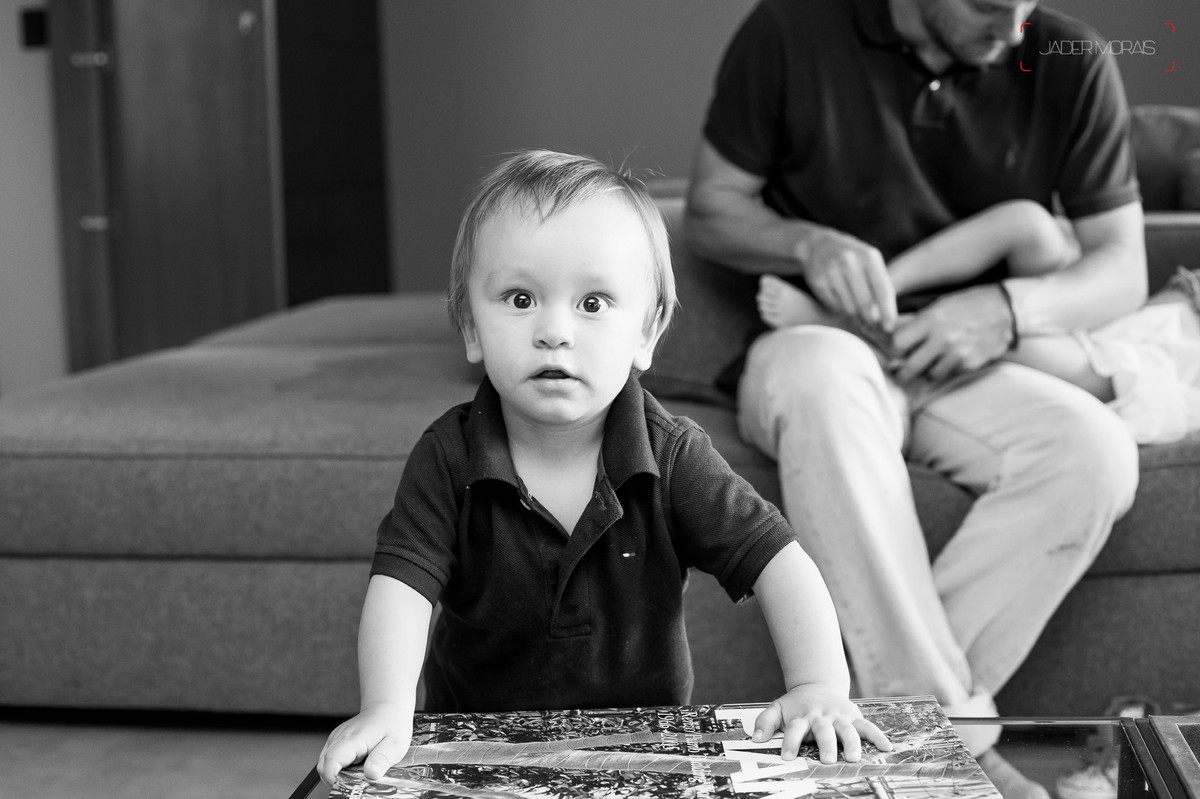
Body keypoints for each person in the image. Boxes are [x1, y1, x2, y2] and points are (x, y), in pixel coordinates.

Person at [685, 1, 1146, 797]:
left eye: (1025, 3)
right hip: (813, 344)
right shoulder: (790, 30)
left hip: (959, 359)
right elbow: (710, 211)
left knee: (1094, 451)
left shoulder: (1070, 56)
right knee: (826, 376)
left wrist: (1006, 310)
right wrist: (806, 242)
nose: (1014, 29)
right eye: (988, 6)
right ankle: (950, 755)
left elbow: (1122, 266)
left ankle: (905, 742)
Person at [316, 150, 892, 786]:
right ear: (470, 327)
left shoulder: (672, 455)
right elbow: (401, 588)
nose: (554, 330)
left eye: (592, 303)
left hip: (644, 753)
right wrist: (387, 706)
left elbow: (779, 561)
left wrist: (817, 685)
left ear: (647, 333)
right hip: (477, 751)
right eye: (520, 298)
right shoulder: (448, 456)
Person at [758, 199, 1200, 445]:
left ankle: (867, 329)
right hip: (1124, 327)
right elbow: (1147, 306)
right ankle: (877, 290)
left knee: (1058, 355)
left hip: (1153, 379)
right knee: (1030, 224)